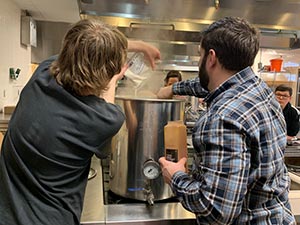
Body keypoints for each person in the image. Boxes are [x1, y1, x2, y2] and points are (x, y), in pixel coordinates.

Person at [0, 19, 160, 225]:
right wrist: (113, 80)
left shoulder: (41, 74)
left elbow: (83, 47)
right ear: (108, 75)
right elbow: (108, 108)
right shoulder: (102, 119)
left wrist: (141, 46)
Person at [157, 17, 296, 224]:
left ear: (211, 58)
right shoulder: (260, 90)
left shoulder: (223, 117)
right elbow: (208, 84)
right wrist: (171, 89)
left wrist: (176, 177)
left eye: (200, 56)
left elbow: (218, 211)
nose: (199, 62)